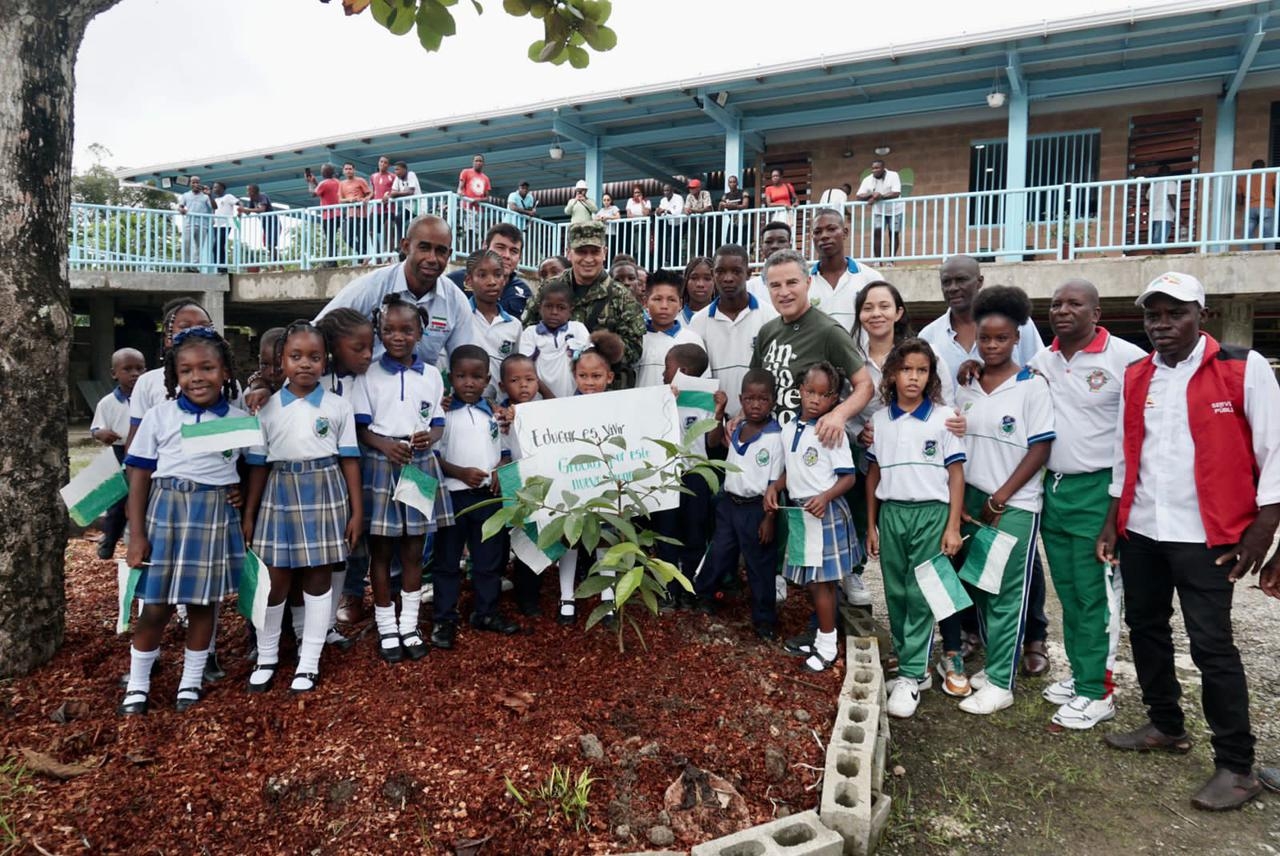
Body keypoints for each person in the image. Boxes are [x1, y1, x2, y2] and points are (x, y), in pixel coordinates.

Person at [1097, 272, 1280, 811]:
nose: (1162, 325)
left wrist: (1263, 531)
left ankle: (1237, 766)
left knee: (1212, 646)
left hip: (1208, 537)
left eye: (1174, 313)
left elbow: (1274, 453)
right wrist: (1113, 520)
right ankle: (1165, 724)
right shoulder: (1137, 374)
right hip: (1145, 530)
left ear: (1201, 315)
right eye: (1153, 315)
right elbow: (1124, 452)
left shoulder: (1242, 369)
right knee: (1145, 627)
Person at [1025, 279, 1145, 730]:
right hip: (1056, 488)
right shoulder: (1043, 361)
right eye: (1056, 304)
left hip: (1101, 491)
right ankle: (1080, 675)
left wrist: (1116, 512)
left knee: (1097, 594)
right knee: (1069, 592)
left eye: (1074, 304)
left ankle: (1099, 691)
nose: (1062, 310)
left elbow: (1136, 435)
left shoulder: (1127, 360)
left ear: (1096, 313)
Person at [919, 254, 1048, 671]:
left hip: (1009, 472)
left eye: (962, 279)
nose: (954, 287)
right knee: (966, 560)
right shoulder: (932, 334)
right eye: (947, 281)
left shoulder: (1019, 329)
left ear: (979, 280)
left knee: (1016, 568)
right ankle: (971, 634)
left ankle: (1033, 636)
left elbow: (1033, 374)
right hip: (964, 467)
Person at [118, 327, 247, 715]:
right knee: (154, 605)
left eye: (207, 368)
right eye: (186, 370)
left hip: (211, 516)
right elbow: (138, 476)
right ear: (175, 376)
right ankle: (138, 685)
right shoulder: (161, 416)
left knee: (203, 604)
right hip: (166, 513)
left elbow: (250, 465)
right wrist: (136, 534)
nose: (197, 377)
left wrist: (240, 492)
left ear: (224, 371)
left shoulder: (239, 420)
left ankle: (190, 682)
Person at [241, 321, 363, 694]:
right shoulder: (266, 408)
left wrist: (357, 512)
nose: (305, 364)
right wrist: (249, 514)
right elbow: (258, 466)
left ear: (325, 362)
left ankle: (308, 662)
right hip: (279, 493)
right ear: (281, 362)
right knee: (274, 580)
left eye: (314, 357)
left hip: (325, 491)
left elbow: (350, 461)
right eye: (296, 356)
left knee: (317, 578)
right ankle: (267, 656)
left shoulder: (339, 406)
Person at [953, 285, 1055, 716]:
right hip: (973, 498)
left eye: (1002, 338)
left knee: (1007, 592)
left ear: (1017, 337)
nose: (992, 345)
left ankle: (1000, 683)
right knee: (981, 584)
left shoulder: (1032, 386)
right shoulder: (969, 382)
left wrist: (1001, 497)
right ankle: (998, 665)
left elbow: (1040, 449)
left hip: (1011, 504)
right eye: (985, 338)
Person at [866, 338, 966, 718]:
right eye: (906, 369)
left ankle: (909, 676)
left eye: (921, 370)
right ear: (892, 373)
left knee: (921, 591)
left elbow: (956, 475)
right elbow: (872, 474)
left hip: (931, 514)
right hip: (892, 514)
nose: (913, 377)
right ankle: (915, 669)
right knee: (895, 591)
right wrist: (872, 525)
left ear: (930, 375)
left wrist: (952, 526)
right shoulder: (879, 420)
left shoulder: (944, 417)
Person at [350, 294, 448, 664]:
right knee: (382, 551)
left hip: (419, 467)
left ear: (420, 332)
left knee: (413, 549)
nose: (397, 336)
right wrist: (385, 444)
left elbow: (436, 423)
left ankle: (410, 624)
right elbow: (361, 427)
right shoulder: (369, 374)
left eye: (407, 329)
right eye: (388, 329)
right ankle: (386, 625)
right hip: (380, 467)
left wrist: (429, 438)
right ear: (379, 331)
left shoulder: (433, 375)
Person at [764, 361, 860, 673]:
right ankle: (820, 637)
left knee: (824, 584)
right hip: (800, 513)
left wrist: (825, 496)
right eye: (810, 392)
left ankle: (828, 646)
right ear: (799, 392)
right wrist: (775, 487)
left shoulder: (832, 431)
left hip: (824, 512)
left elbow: (849, 478)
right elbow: (791, 470)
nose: (815, 399)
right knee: (810, 582)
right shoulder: (789, 428)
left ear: (835, 399)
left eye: (824, 394)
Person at [434, 344, 518, 646]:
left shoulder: (493, 416)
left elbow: (505, 451)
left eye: (476, 377)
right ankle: (444, 618)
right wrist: (459, 473)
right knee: (447, 561)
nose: (468, 383)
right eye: (461, 376)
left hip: (487, 497)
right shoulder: (442, 416)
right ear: (451, 378)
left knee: (489, 560)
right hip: (452, 498)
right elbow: (433, 457)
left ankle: (486, 612)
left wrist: (500, 469)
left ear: (487, 380)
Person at [316, 215, 478, 367]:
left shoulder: (455, 300)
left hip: (422, 391)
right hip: (366, 390)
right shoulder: (371, 287)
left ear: (449, 254)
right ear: (406, 246)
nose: (432, 258)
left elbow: (465, 361)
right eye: (424, 248)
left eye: (440, 251)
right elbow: (315, 332)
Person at [751, 250, 874, 435]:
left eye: (792, 282)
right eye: (775, 285)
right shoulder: (766, 332)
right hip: (770, 446)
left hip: (812, 448)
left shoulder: (829, 331)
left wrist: (838, 415)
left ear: (808, 283)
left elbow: (865, 385)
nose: (784, 292)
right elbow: (754, 385)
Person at [698, 369, 783, 637]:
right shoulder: (736, 428)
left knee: (760, 565)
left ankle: (764, 619)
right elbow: (713, 442)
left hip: (757, 509)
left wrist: (769, 518)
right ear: (741, 399)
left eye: (762, 399)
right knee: (719, 553)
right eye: (749, 399)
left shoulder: (775, 436)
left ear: (773, 401)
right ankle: (705, 596)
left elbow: (774, 483)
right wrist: (720, 412)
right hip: (729, 505)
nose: (755, 405)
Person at [557, 331, 629, 626]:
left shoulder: (619, 407)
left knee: (606, 537)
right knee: (571, 538)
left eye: (596, 376)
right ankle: (566, 596)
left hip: (607, 485)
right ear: (574, 376)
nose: (589, 382)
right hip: (573, 486)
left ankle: (608, 595)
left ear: (609, 377)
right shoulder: (561, 409)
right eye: (583, 376)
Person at [522, 221, 646, 385]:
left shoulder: (621, 296)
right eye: (581, 252)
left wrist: (595, 348)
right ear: (569, 253)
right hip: (551, 389)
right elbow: (527, 327)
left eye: (594, 252)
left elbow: (634, 350)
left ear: (604, 253)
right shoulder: (550, 288)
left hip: (601, 393)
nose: (588, 259)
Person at [315, 309, 376, 627]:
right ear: (334, 347)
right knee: (334, 531)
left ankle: (354, 591)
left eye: (370, 347)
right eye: (358, 349)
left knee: (362, 528)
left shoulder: (374, 376)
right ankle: (322, 601)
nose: (367, 355)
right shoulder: (314, 378)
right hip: (325, 466)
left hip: (367, 461)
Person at [652, 343, 724, 608]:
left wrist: (718, 413)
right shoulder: (660, 396)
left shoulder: (706, 399)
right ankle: (669, 589)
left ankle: (692, 585)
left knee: (695, 532)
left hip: (696, 476)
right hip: (666, 475)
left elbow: (714, 442)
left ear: (681, 370)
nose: (662, 373)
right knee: (666, 533)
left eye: (666, 367)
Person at [689, 244, 777, 417]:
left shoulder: (770, 316)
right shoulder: (698, 321)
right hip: (714, 422)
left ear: (748, 273)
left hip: (759, 421)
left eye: (736, 271)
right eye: (721, 271)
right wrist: (717, 419)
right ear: (714, 274)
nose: (728, 278)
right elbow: (697, 379)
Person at [495, 353, 548, 617]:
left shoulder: (546, 411)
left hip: (541, 483)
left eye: (529, 379)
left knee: (534, 539)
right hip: (512, 479)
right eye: (515, 380)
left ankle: (529, 596)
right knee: (508, 538)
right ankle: (497, 588)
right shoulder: (499, 416)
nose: (524, 385)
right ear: (503, 386)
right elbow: (502, 452)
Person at [90, 347, 146, 559]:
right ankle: (110, 539)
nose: (135, 374)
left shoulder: (151, 398)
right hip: (119, 452)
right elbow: (96, 428)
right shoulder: (108, 403)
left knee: (143, 496)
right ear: (114, 373)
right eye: (128, 369)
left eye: (140, 369)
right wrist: (101, 433)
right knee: (118, 500)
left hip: (145, 453)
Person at [807, 208, 882, 332]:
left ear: (845, 233)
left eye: (831, 229)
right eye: (817, 231)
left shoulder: (870, 278)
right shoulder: (804, 281)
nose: (824, 236)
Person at [463, 249, 522, 401]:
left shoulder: (514, 325)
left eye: (497, 275)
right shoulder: (460, 317)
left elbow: (516, 369)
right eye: (482, 275)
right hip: (462, 406)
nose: (492, 282)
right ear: (469, 281)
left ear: (504, 280)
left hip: (500, 410)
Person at [519, 280, 589, 399]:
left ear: (570, 310)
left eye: (561, 308)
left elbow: (589, 363)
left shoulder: (578, 329)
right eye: (548, 306)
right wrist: (548, 396)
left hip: (574, 399)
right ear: (540, 307)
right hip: (539, 400)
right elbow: (525, 371)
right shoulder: (530, 333)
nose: (554, 312)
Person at [445, 222, 532, 319]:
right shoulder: (454, 282)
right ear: (485, 246)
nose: (507, 255)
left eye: (514, 251)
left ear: (520, 257)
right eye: (500, 247)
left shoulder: (524, 292)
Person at [637, 270, 705, 388]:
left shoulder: (692, 340)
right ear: (645, 302)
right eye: (657, 299)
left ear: (680, 304)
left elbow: (700, 384)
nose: (664, 306)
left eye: (671, 300)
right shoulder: (635, 338)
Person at [856, 159, 904, 260]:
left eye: (877, 168)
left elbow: (896, 193)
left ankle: (891, 260)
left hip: (895, 210)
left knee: (893, 234)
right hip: (879, 211)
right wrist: (871, 194)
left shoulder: (893, 175)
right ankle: (878, 260)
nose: (874, 170)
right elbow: (859, 196)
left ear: (883, 168)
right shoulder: (868, 179)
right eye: (873, 168)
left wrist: (879, 197)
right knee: (877, 233)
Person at [744, 221, 795, 302]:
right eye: (768, 242)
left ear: (790, 246)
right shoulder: (749, 288)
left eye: (781, 241)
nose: (774, 246)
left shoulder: (802, 284)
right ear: (762, 247)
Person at [337, 163, 372, 264]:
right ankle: (364, 254)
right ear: (343, 171)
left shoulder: (360, 180)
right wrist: (350, 200)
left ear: (354, 170)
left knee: (362, 237)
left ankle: (363, 261)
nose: (348, 171)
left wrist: (366, 199)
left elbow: (369, 193)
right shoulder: (342, 184)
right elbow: (340, 199)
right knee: (346, 236)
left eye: (350, 169)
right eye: (346, 169)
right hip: (350, 214)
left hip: (362, 214)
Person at [1237, 158, 1277, 247]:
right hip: (1267, 205)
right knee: (1268, 234)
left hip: (1250, 207)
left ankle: (1245, 253)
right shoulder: (1270, 174)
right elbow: (1276, 188)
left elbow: (1239, 194)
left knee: (1247, 234)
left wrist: (1241, 203)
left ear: (1252, 167)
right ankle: (1270, 254)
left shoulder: (1245, 177)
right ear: (1264, 166)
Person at [307, 164, 342, 264]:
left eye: (322, 170)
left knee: (330, 238)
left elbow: (313, 193)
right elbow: (323, 190)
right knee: (333, 237)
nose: (321, 172)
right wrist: (314, 182)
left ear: (324, 173)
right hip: (338, 213)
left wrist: (309, 183)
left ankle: (332, 261)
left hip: (328, 216)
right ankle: (332, 259)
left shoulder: (324, 183)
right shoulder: (337, 181)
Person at [177, 176, 214, 269]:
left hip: (202, 224)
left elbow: (214, 207)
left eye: (197, 182)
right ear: (190, 184)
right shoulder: (186, 195)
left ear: (200, 183)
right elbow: (180, 206)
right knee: (186, 244)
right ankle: (185, 266)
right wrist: (181, 210)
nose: (195, 184)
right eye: (193, 182)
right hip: (189, 223)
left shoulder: (205, 197)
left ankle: (195, 266)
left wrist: (209, 195)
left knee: (199, 247)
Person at [457, 154, 491, 252]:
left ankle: (471, 251)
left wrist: (478, 200)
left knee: (475, 232)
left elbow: (487, 197)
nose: (478, 163)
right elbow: (460, 187)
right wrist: (460, 193)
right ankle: (465, 251)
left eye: (480, 161)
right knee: (467, 230)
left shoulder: (485, 178)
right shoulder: (466, 172)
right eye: (476, 161)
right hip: (466, 207)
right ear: (473, 162)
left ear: (483, 164)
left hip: (478, 210)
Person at [237, 184, 277, 264]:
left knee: (270, 244)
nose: (247, 192)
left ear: (254, 191)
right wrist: (241, 210)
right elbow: (248, 212)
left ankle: (274, 264)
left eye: (248, 190)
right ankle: (277, 264)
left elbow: (262, 209)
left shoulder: (262, 196)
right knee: (268, 245)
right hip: (265, 224)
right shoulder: (252, 199)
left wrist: (245, 209)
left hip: (273, 223)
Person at [387, 161, 423, 247]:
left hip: (418, 205)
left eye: (398, 169)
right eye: (395, 170)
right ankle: (401, 244)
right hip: (408, 206)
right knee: (398, 219)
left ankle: (415, 244)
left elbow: (411, 191)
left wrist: (397, 194)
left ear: (404, 169)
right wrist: (395, 194)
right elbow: (393, 192)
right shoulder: (397, 178)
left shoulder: (411, 174)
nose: (396, 172)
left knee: (414, 225)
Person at [369, 156, 396, 256]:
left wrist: (388, 195)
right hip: (376, 209)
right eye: (381, 162)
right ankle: (378, 255)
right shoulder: (373, 176)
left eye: (385, 163)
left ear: (388, 165)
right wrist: (367, 198)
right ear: (378, 163)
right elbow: (372, 191)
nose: (383, 164)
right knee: (371, 232)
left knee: (388, 230)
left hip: (389, 208)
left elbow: (395, 190)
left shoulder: (393, 176)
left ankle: (389, 255)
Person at [209, 181, 238, 273]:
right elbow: (214, 209)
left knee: (218, 245)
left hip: (226, 225)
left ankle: (222, 267)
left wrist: (241, 210)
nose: (214, 189)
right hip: (216, 226)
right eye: (213, 188)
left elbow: (238, 202)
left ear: (222, 189)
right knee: (219, 247)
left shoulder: (228, 197)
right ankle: (221, 267)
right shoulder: (215, 200)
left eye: (216, 187)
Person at [681, 256, 715, 323]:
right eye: (694, 278)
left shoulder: (724, 319)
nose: (700, 284)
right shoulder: (673, 320)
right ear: (686, 281)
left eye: (707, 279)